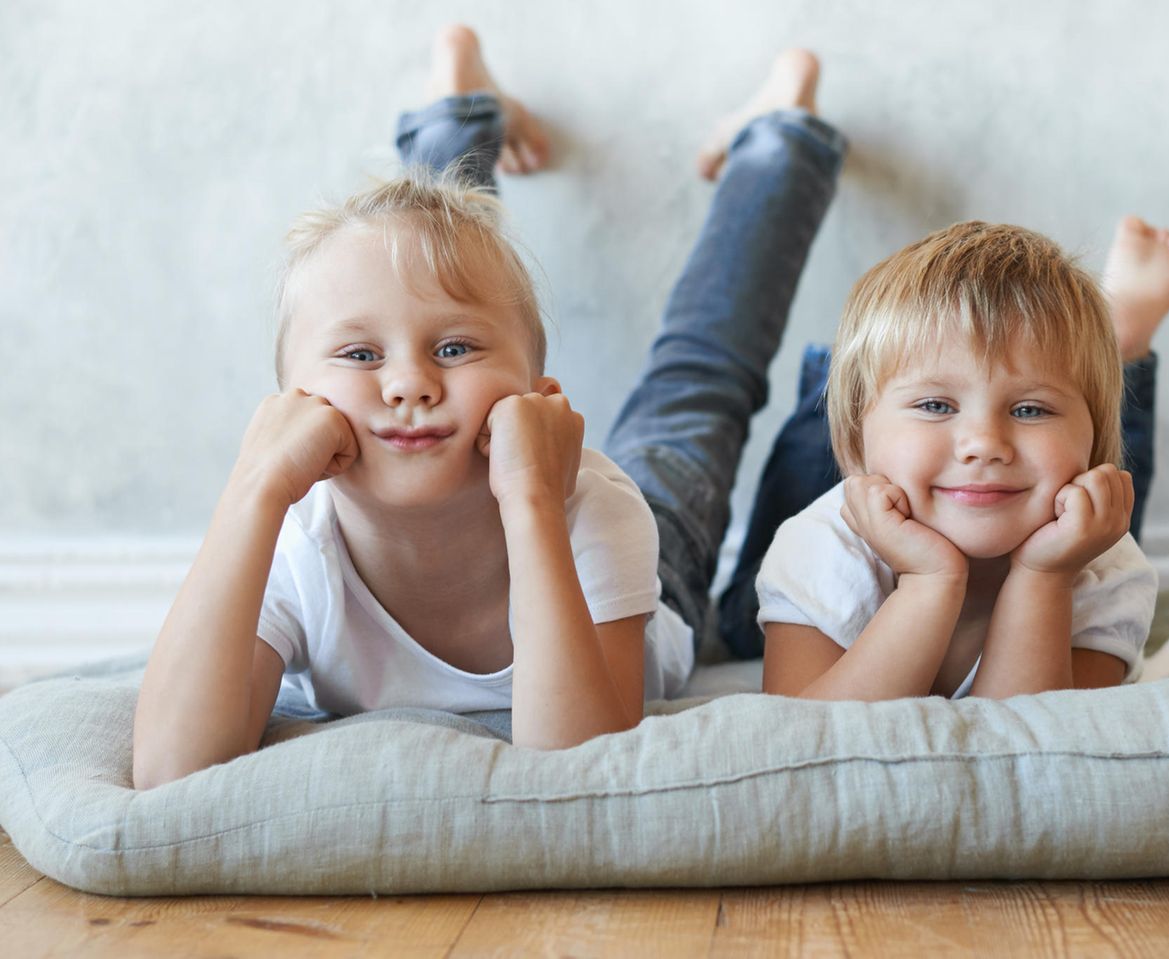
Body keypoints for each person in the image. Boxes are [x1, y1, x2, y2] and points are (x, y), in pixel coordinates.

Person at [131, 27, 844, 787]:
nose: (408, 385)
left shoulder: (590, 513)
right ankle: (456, 110)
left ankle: (779, 137)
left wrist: (534, 499)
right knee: (428, 263)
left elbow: (574, 768)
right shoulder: (292, 542)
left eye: (455, 351)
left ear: (538, 392)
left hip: (641, 552)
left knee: (698, 379)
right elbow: (174, 767)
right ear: (290, 405)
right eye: (360, 355)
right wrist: (253, 487)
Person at [752, 216, 1169, 700]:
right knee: (737, 620)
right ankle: (1120, 333)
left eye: (1030, 409)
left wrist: (1043, 577)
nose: (984, 442)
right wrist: (930, 581)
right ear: (855, 438)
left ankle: (1122, 340)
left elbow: (1031, 749)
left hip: (1055, 516)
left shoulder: (1106, 571)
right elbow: (808, 742)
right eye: (935, 405)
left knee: (1115, 502)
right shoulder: (821, 548)